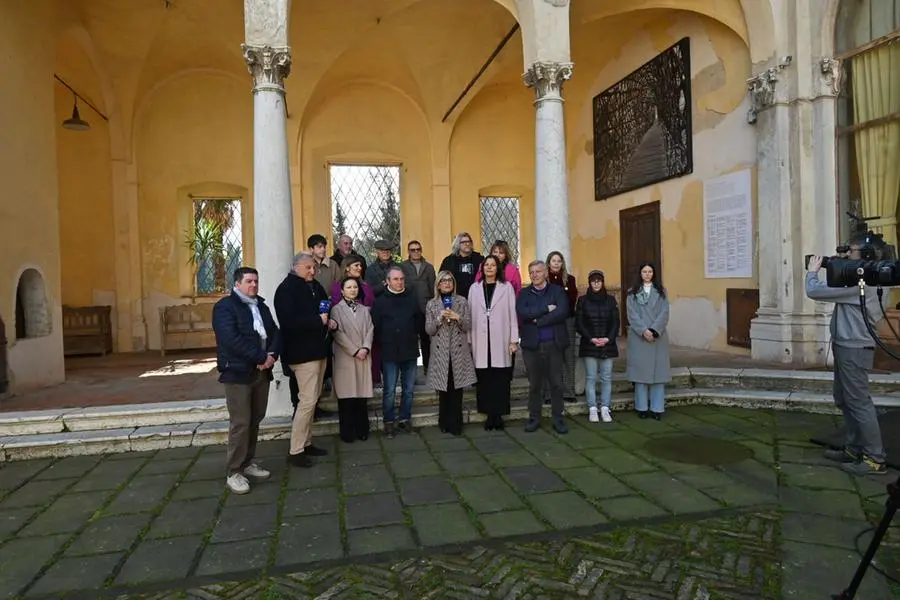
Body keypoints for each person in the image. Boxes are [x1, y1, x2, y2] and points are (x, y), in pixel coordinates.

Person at [807, 238, 887, 475]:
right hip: (845, 344)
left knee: (859, 402)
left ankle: (875, 458)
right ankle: (855, 448)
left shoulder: (864, 283)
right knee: (843, 397)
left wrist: (812, 272)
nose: (845, 254)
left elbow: (815, 291)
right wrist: (838, 264)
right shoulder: (858, 278)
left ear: (867, 256)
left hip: (855, 347)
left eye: (850, 251)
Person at [212, 267, 280, 495]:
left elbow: (274, 333)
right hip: (238, 373)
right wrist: (260, 357)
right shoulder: (225, 307)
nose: (254, 285)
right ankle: (234, 471)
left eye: (256, 281)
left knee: (255, 419)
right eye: (249, 281)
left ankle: (248, 462)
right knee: (241, 422)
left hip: (261, 372)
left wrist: (271, 356)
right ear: (238, 283)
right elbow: (230, 339)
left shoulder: (260, 305)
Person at [274, 253, 336, 467]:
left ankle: (307, 442)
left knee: (313, 399)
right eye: (308, 267)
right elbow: (289, 322)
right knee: (307, 401)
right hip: (302, 354)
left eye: (314, 268)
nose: (313, 271)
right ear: (296, 267)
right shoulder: (286, 290)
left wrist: (329, 320)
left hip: (318, 350)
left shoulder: (314, 285)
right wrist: (316, 320)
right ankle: (296, 451)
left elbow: (323, 306)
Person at [516, 260, 570, 434]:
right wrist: (546, 308)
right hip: (532, 346)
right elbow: (523, 312)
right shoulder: (524, 294)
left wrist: (538, 320)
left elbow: (562, 312)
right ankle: (534, 418)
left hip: (553, 344)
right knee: (535, 385)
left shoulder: (557, 291)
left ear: (546, 273)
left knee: (556, 383)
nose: (534, 275)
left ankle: (558, 418)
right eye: (531, 272)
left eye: (538, 271)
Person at [469, 255, 518, 430]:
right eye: (486, 265)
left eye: (493, 265)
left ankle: (498, 415)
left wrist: (514, 340)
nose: (489, 268)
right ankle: (488, 414)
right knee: (484, 379)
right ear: (482, 269)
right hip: (480, 339)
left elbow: (513, 315)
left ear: (498, 268)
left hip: (501, 339)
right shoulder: (474, 289)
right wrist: (469, 340)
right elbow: (470, 314)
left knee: (500, 378)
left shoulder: (506, 288)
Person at [371, 265, 421, 437]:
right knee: (389, 390)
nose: (399, 282)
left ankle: (405, 419)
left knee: (408, 389)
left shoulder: (412, 298)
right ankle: (389, 422)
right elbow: (375, 326)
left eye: (401, 279)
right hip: (389, 351)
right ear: (387, 282)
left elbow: (418, 322)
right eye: (395, 279)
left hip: (409, 349)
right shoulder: (380, 301)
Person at [425, 271, 476, 435]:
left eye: (450, 280)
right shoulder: (432, 304)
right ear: (438, 285)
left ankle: (456, 424)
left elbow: (468, 326)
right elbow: (429, 330)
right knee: (443, 389)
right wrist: (439, 318)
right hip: (441, 353)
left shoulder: (461, 301)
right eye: (443, 281)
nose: (447, 283)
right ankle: (444, 422)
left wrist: (457, 317)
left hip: (457, 351)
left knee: (457, 389)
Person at [330, 277, 374, 443]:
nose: (353, 290)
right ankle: (347, 432)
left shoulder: (364, 309)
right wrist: (355, 350)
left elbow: (370, 329)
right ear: (342, 291)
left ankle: (362, 430)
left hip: (363, 354)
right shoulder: (336, 310)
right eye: (349, 287)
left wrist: (365, 348)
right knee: (347, 397)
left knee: (361, 398)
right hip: (346, 356)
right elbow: (337, 334)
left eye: (355, 287)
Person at [625, 261, 670, 420]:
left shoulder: (661, 291)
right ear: (640, 273)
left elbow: (665, 312)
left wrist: (654, 330)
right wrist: (643, 330)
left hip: (658, 336)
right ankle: (642, 407)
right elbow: (631, 314)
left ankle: (657, 408)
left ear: (654, 273)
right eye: (644, 271)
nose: (647, 274)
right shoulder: (632, 292)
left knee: (658, 375)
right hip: (640, 337)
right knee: (640, 375)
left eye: (650, 271)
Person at [575, 270, 619, 423]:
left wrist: (608, 338)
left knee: (606, 377)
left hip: (608, 344)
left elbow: (615, 322)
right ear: (589, 282)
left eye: (599, 281)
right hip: (590, 344)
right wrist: (591, 338)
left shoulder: (611, 300)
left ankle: (605, 407)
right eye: (593, 281)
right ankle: (592, 408)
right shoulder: (582, 300)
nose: (596, 283)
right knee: (591, 377)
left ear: (602, 282)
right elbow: (579, 323)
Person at [546, 251, 579, 402]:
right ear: (549, 262)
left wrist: (558, 307)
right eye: (554, 260)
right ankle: (549, 394)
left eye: (559, 261)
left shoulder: (569, 279)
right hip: (549, 322)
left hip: (567, 321)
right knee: (550, 357)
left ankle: (569, 392)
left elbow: (571, 299)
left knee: (568, 357)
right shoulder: (544, 280)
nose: (556, 263)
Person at [401, 240, 436, 374]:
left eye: (417, 249)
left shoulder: (428, 267)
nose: (415, 252)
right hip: (408, 308)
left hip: (425, 308)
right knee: (410, 340)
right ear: (408, 252)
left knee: (427, 340)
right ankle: (411, 370)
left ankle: (428, 367)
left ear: (421, 250)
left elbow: (433, 287)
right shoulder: (403, 267)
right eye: (412, 250)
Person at [440, 232, 484, 299]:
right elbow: (442, 279)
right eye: (463, 242)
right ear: (457, 244)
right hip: (455, 298)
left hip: (475, 297)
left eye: (469, 241)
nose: (467, 244)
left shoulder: (478, 259)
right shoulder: (449, 260)